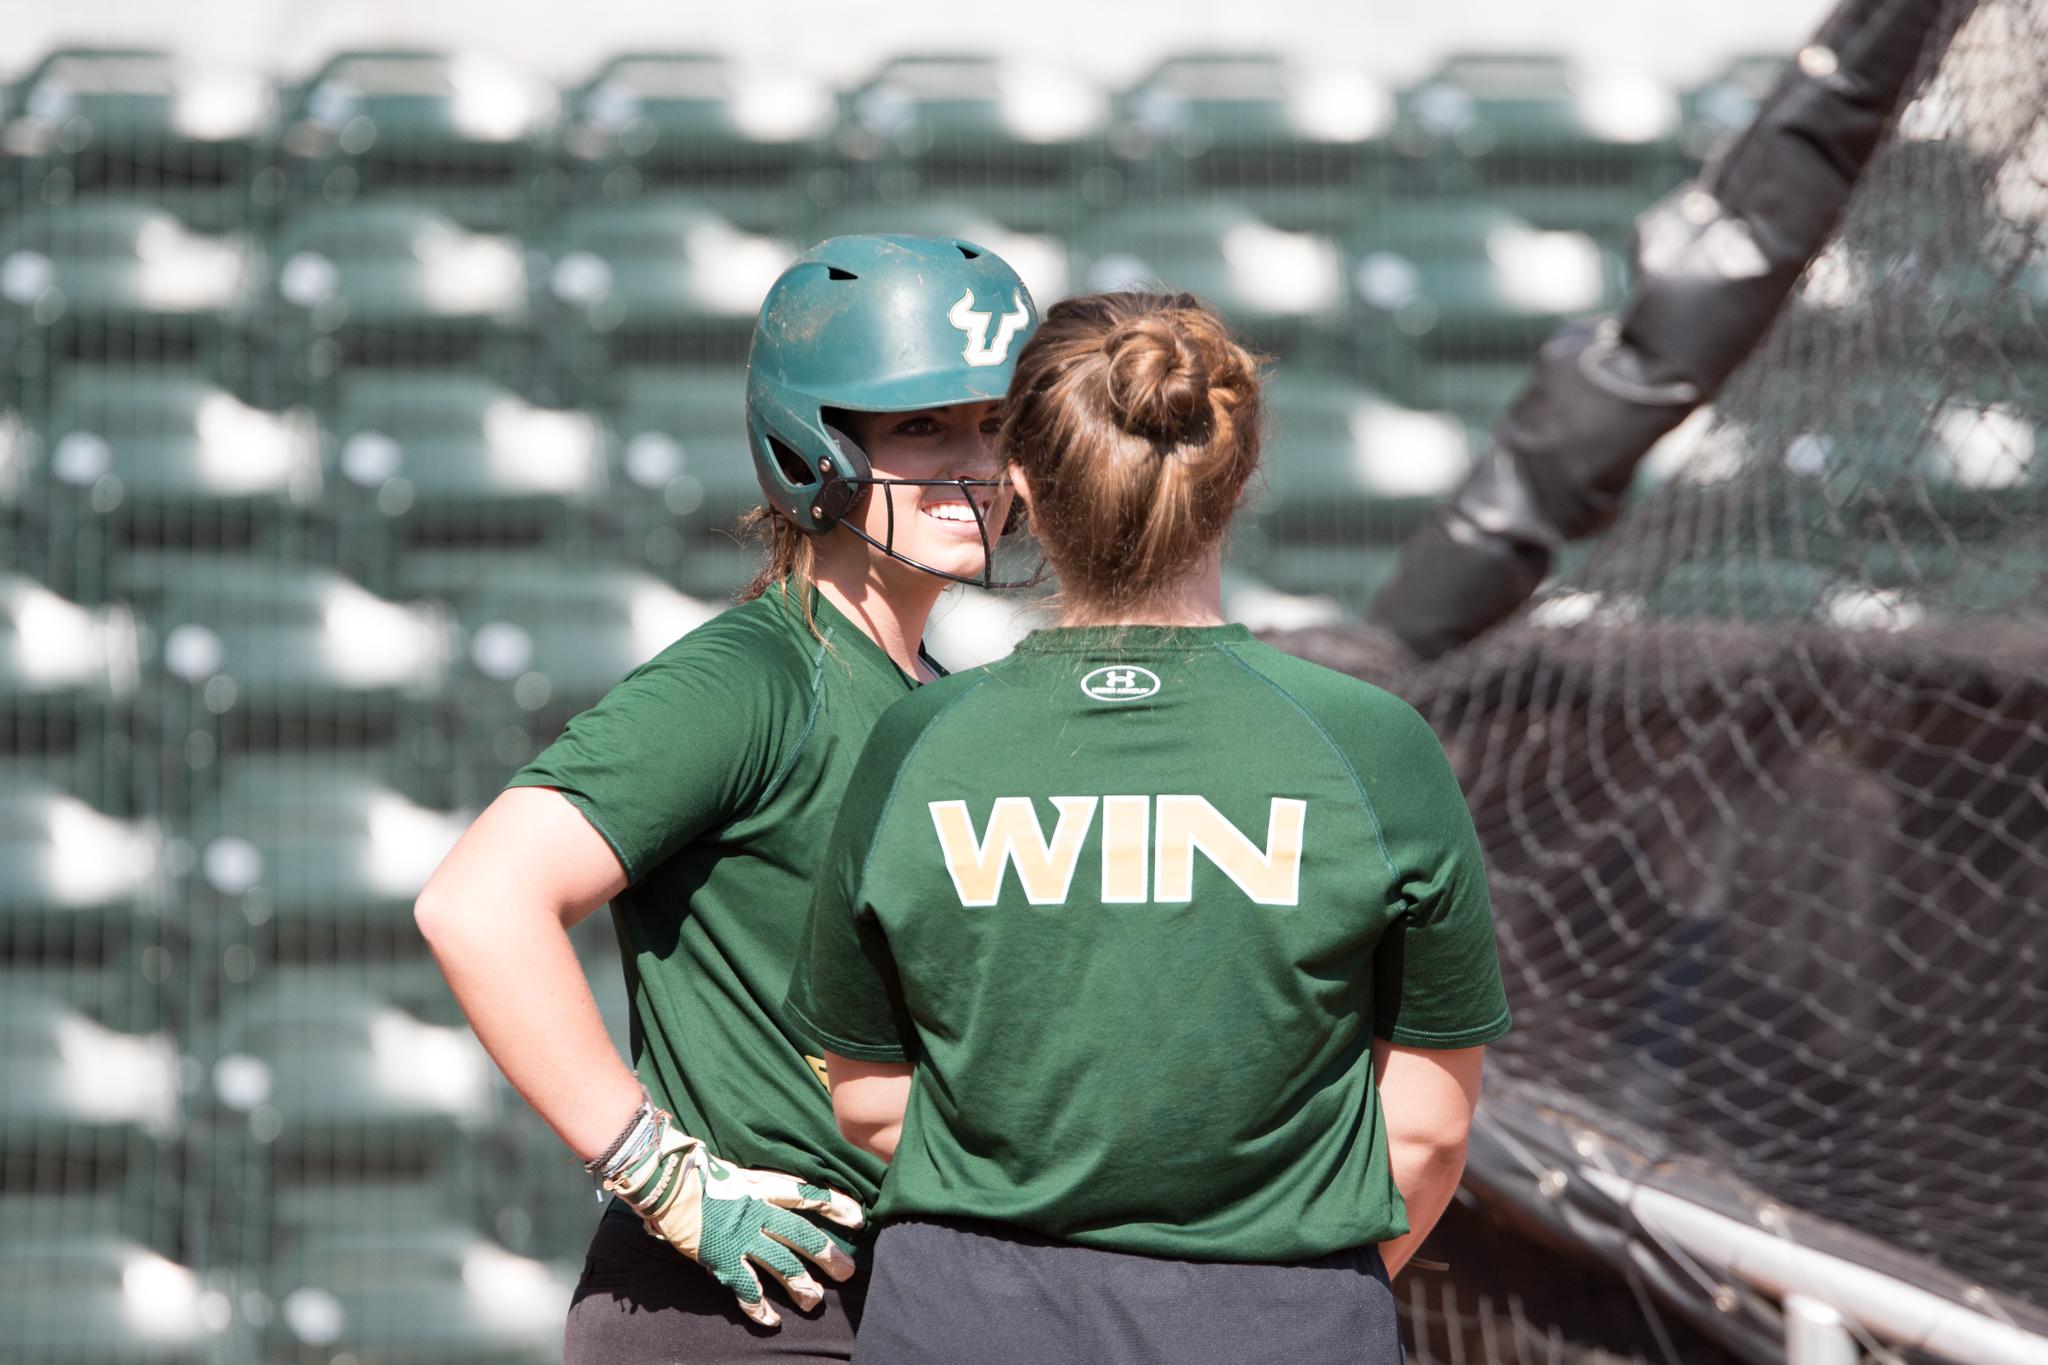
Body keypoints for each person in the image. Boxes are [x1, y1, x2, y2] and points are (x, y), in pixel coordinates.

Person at [787, 291, 1511, 1365]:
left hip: (965, 1322)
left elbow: (867, 1103)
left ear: (1022, 487)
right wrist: (1275, 1302)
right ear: (1238, 483)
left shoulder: (919, 740)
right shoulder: (1369, 744)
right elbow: (1425, 1131)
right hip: (1280, 1322)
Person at [414, 234, 1041, 1364]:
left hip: (896, 1296)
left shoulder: (935, 694)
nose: (974, 466)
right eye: (920, 428)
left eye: (994, 425)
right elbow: (477, 902)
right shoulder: (754, 677)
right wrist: (656, 1173)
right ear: (813, 446)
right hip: (736, 1309)